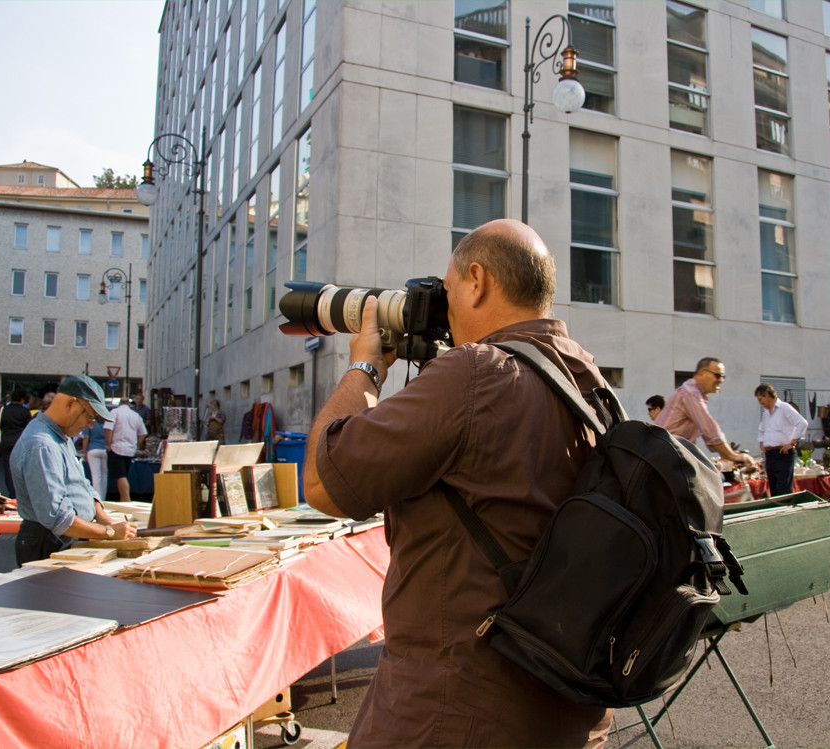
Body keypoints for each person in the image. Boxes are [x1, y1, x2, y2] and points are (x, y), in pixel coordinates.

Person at [304, 219, 613, 748]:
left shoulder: (475, 373)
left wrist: (366, 365)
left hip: (453, 710)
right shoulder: (586, 380)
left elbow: (322, 482)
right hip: (567, 705)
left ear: (477, 280)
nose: (444, 308)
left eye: (447, 291)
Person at [12, 375, 137, 564]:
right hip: (48, 542)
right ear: (71, 403)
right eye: (89, 416)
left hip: (62, 538)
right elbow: (58, 518)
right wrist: (109, 532)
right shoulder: (42, 445)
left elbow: (81, 483)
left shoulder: (60, 436)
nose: (89, 425)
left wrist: (101, 516)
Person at [655, 358, 755, 467]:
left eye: (723, 376)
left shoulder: (693, 393)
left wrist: (727, 453)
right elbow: (709, 429)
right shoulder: (690, 393)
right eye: (718, 375)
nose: (721, 380)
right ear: (703, 373)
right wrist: (732, 456)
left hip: (669, 455)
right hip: (664, 456)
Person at [754, 383, 808, 497]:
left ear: (768, 395)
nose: (760, 402)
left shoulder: (785, 408)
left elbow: (802, 423)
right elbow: (761, 430)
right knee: (773, 488)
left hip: (783, 453)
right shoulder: (766, 413)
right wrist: (762, 444)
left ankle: (785, 511)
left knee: (783, 488)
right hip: (770, 454)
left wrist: (792, 442)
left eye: (761, 398)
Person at [104, 397, 148, 502]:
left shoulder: (114, 412)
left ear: (119, 403)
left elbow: (108, 429)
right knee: (123, 474)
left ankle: (125, 499)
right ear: (129, 404)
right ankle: (123, 498)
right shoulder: (135, 415)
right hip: (130, 449)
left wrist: (108, 444)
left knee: (120, 475)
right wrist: (136, 444)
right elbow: (143, 433)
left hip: (117, 447)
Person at [0, 389, 33, 498]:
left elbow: (1, 424)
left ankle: (12, 493)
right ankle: (20, 492)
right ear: (22, 399)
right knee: (20, 468)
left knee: (8, 469)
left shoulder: (4, 410)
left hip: (6, 440)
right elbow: (29, 427)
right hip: (19, 441)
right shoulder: (24, 411)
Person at [81, 418, 109, 501]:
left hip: (93, 449)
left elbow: (86, 437)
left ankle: (97, 498)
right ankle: (103, 498)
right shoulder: (106, 424)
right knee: (104, 475)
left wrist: (84, 451)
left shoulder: (91, 424)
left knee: (96, 476)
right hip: (104, 450)